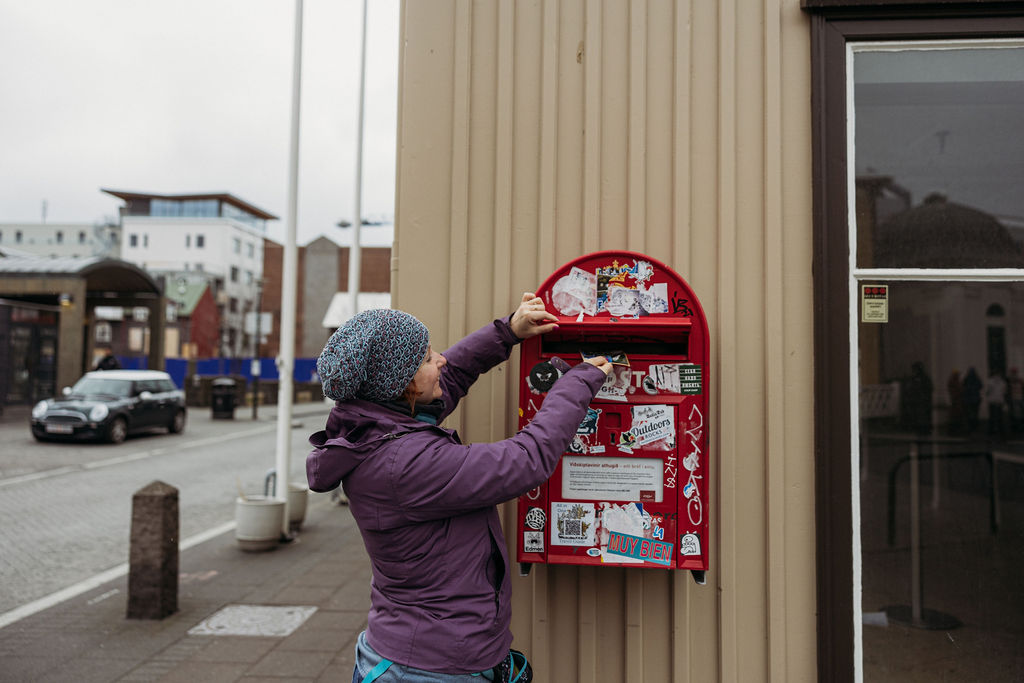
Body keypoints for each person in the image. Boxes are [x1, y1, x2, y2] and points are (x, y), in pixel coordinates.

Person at [307, 293, 611, 683]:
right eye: (427, 357)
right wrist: (578, 382)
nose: (441, 360)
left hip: (425, 651)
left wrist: (507, 332)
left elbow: (450, 377)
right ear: (404, 384)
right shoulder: (405, 463)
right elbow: (525, 459)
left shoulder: (377, 425)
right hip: (429, 669)